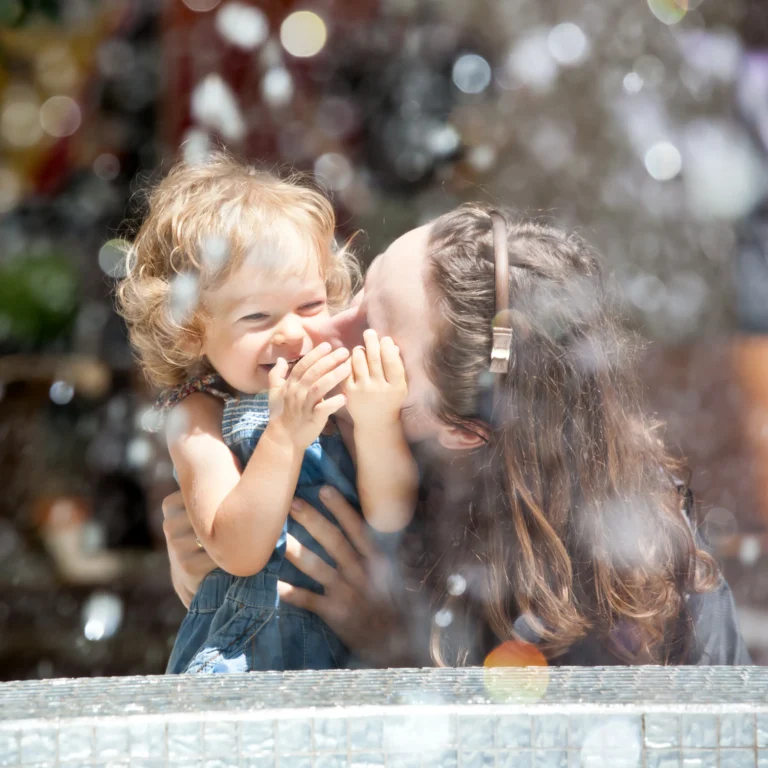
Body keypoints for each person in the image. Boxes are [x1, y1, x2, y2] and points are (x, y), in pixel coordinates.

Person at [162, 203, 751, 667]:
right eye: (358, 290)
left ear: (462, 431)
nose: (316, 333)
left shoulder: (640, 567)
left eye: (373, 339)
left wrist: (397, 647)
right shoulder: (323, 441)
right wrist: (230, 574)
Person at [117, 153, 418, 673]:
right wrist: (284, 435)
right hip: (246, 654)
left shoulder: (340, 387)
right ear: (192, 330)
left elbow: (390, 517)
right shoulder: (196, 417)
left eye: (309, 306)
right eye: (257, 316)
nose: (293, 334)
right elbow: (237, 551)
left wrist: (376, 424)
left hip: (350, 654)